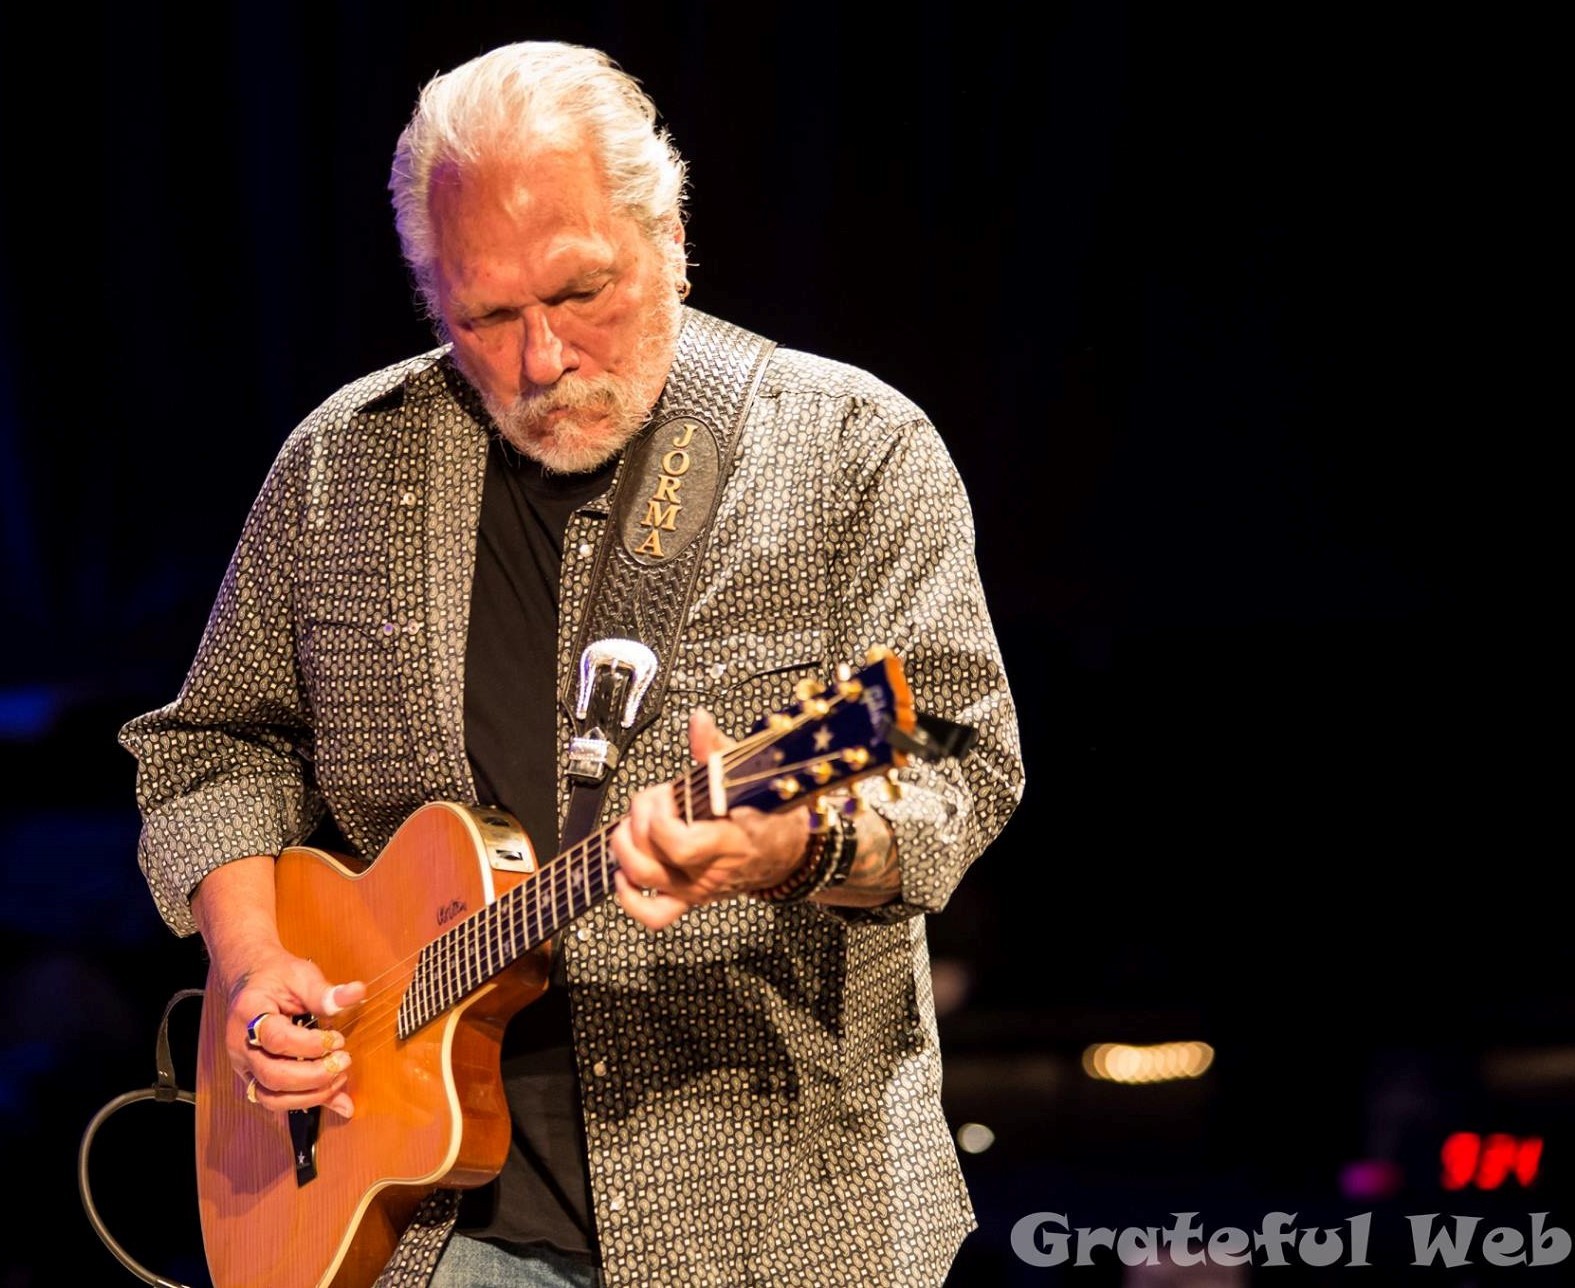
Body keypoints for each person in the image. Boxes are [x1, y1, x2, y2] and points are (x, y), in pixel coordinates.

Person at [119, 39, 1023, 1288]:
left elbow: (954, 771)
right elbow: (215, 744)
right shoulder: (341, 465)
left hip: (778, 1223)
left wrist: (789, 842)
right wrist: (253, 958)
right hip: (426, 1230)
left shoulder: (854, 450)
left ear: (672, 236)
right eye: (487, 316)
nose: (544, 360)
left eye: (582, 292)